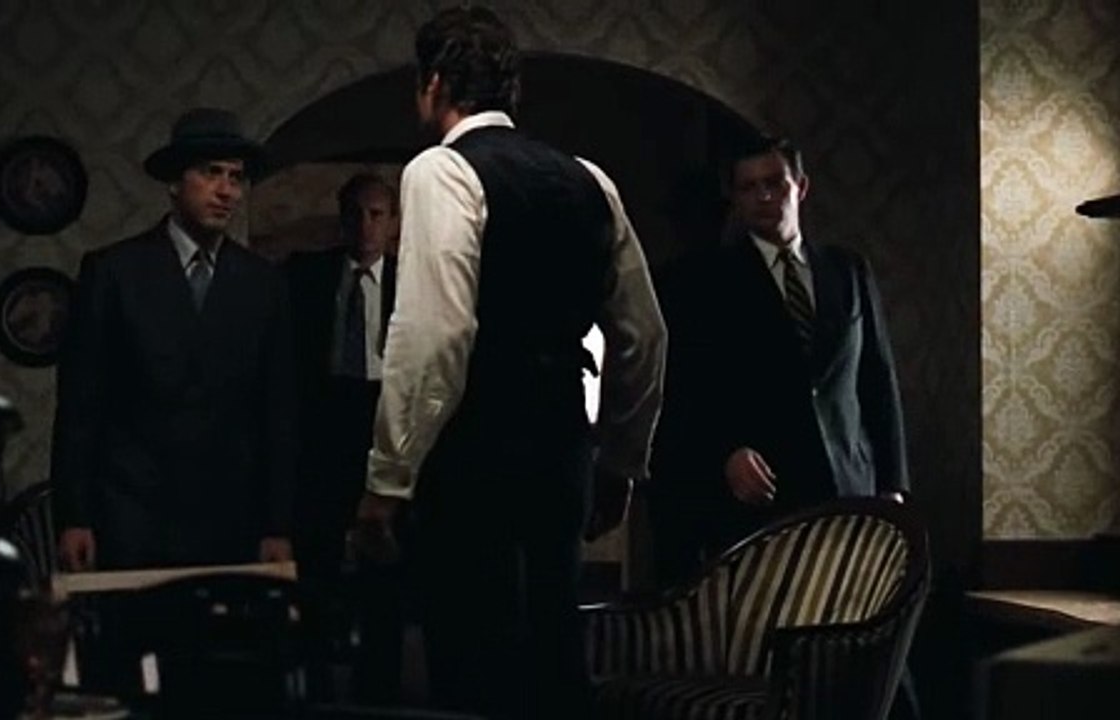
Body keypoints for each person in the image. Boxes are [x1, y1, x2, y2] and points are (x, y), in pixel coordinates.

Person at [351, 6, 667, 718]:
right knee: (553, 655)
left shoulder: (441, 171)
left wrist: (388, 479)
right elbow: (644, 336)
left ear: (434, 84)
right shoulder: (590, 179)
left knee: (474, 664)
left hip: (472, 455)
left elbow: (436, 336)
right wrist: (620, 461)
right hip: (562, 452)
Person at [650, 134, 918, 719]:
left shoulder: (847, 270)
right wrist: (723, 455)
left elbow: (878, 381)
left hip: (851, 491)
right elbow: (684, 394)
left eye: (774, 183)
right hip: (765, 498)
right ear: (734, 199)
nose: (763, 197)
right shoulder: (702, 280)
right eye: (748, 188)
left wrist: (892, 485)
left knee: (863, 654)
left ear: (801, 186)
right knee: (775, 656)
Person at [51, 107, 297, 573]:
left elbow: (277, 413)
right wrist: (74, 517)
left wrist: (277, 525)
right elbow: (81, 405)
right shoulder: (114, 272)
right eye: (211, 173)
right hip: (131, 516)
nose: (226, 191)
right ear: (173, 182)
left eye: (236, 178)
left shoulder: (264, 283)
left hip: (231, 520)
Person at [288, 172, 402, 703]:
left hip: (385, 423)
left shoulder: (411, 281)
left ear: (393, 222)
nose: (366, 226)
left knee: (386, 563)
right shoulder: (308, 275)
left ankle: (380, 687)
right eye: (356, 214)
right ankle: (314, 687)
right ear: (341, 219)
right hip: (325, 421)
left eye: (377, 214)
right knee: (317, 559)